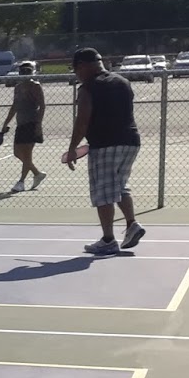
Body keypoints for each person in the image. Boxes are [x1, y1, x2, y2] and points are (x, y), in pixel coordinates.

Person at [64, 48, 146, 255]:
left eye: (76, 70)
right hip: (131, 141)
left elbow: (82, 120)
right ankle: (131, 224)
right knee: (119, 186)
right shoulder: (122, 82)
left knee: (103, 192)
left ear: (82, 66)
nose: (76, 74)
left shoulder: (88, 88)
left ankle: (108, 239)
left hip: (105, 144)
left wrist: (72, 148)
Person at [1, 60, 46, 192]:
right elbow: (14, 106)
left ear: (32, 72)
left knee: (27, 154)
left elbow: (42, 106)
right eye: (22, 71)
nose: (25, 73)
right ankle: (37, 173)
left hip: (32, 123)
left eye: (27, 71)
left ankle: (21, 182)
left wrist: (38, 124)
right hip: (20, 123)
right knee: (17, 152)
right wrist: (6, 123)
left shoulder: (36, 86)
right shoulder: (18, 87)